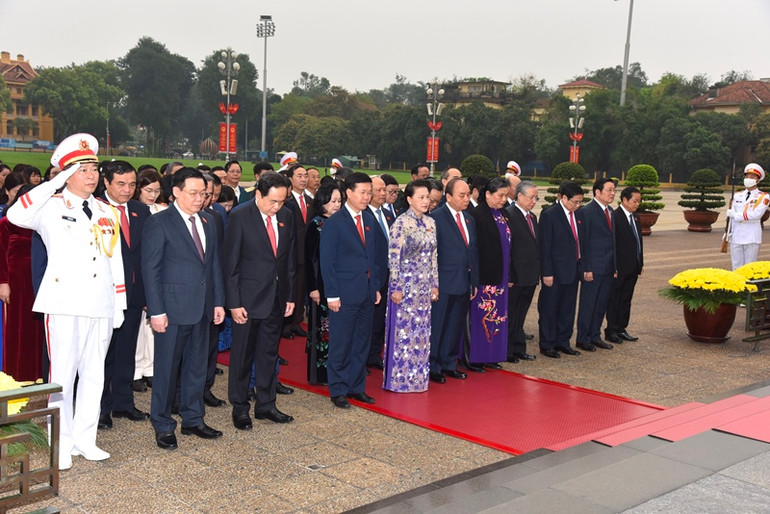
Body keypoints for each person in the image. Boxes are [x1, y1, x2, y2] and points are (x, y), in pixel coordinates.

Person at [7, 133, 126, 470]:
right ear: (65, 173)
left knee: (93, 375)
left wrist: (119, 303)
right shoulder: (50, 207)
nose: (92, 175)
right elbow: (16, 215)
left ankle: (86, 438)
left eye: (94, 168)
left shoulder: (106, 210)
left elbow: (113, 257)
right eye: (83, 169)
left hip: (100, 303)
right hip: (64, 302)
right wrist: (54, 181)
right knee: (62, 375)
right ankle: (60, 441)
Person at [142, 167, 225, 451]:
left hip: (202, 307)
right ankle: (163, 424)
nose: (199, 198)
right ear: (176, 191)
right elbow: (150, 270)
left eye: (203, 193)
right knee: (166, 370)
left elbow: (214, 265)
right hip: (172, 309)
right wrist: (156, 311)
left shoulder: (209, 221)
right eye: (193, 193)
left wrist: (218, 302)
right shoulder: (160, 222)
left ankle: (193, 418)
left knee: (196, 367)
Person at [223, 171, 296, 430]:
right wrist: (234, 303)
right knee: (242, 356)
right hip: (247, 300)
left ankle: (266, 404)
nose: (277, 207)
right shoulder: (240, 217)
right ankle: (240, 407)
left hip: (276, 299)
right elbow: (230, 264)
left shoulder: (286, 216)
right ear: (258, 194)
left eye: (282, 201)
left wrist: (289, 296)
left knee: (268, 354)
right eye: (272, 202)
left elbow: (287, 261)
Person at [320, 172, 382, 408]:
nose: (367, 197)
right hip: (344, 294)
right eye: (363, 192)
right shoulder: (335, 222)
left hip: (366, 292)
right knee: (341, 343)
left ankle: (357, 387)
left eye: (369, 192)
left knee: (361, 342)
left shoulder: (368, 220)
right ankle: (338, 389)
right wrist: (332, 294)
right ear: (349, 192)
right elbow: (327, 262)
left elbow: (374, 257)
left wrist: (375, 286)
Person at [98, 161, 151, 430]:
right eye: (120, 184)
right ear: (106, 182)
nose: (127, 190)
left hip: (133, 295)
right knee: (103, 354)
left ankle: (123, 403)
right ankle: (101, 407)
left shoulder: (141, 210)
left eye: (132, 184)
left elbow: (146, 256)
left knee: (126, 350)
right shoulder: (94, 209)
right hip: (104, 296)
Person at [383, 180, 437, 392]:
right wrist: (396, 286)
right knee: (404, 334)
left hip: (424, 289)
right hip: (405, 286)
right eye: (421, 197)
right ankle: (400, 380)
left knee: (422, 334)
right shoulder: (401, 223)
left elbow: (434, 256)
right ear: (409, 199)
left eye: (427, 197)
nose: (426, 201)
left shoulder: (431, 223)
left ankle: (419, 380)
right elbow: (393, 258)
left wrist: (435, 283)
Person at [428, 178, 477, 383]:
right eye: (461, 195)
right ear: (448, 197)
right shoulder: (436, 218)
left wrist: (474, 280)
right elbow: (431, 254)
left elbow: (473, 252)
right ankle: (434, 366)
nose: (466, 199)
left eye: (468, 195)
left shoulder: (469, 219)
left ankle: (449, 363)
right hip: (443, 282)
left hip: (464, 282)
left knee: (455, 325)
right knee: (439, 325)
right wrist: (433, 283)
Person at [0, 184, 45, 381]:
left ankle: (39, 373)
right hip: (16, 282)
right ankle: (16, 373)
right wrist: (3, 282)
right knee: (18, 328)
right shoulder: (7, 222)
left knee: (39, 329)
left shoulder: (44, 221)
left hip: (40, 280)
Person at [466, 177, 511, 370]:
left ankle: (493, 355)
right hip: (485, 277)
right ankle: (476, 358)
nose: (504, 199)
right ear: (487, 194)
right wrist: (475, 279)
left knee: (498, 317)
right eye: (500, 195)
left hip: (501, 276)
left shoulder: (503, 214)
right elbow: (474, 250)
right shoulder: (477, 215)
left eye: (506, 195)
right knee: (481, 317)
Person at [537, 181, 585, 359]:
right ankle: (547, 344)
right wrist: (546, 272)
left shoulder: (578, 215)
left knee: (567, 309)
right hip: (555, 273)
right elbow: (545, 246)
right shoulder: (550, 215)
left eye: (580, 202)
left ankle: (563, 342)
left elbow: (580, 242)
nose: (578, 205)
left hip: (573, 270)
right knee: (550, 309)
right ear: (564, 198)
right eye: (575, 201)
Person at [132, 168, 166, 393]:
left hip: (160, 275)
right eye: (148, 190)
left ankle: (151, 368)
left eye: (156, 190)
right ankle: (135, 371)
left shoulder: (163, 211)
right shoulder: (135, 211)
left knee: (153, 327)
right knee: (138, 329)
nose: (152, 194)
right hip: (140, 275)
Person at [305, 183, 343, 384]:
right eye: (332, 201)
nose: (336, 205)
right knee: (320, 330)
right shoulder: (316, 224)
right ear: (322, 202)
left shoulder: (341, 223)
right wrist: (312, 288)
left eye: (339, 201)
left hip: (338, 284)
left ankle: (336, 369)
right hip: (320, 285)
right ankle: (318, 374)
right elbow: (309, 258)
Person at [576, 178, 617, 352]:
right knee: (588, 304)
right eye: (609, 190)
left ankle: (595, 335)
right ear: (597, 192)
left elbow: (613, 241)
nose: (613, 193)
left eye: (614, 190)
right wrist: (587, 268)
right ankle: (583, 338)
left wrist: (614, 266)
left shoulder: (611, 211)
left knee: (601, 304)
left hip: (608, 267)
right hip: (592, 268)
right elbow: (583, 243)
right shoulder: (587, 212)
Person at [505, 181, 540, 363]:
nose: (534, 201)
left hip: (530, 275)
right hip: (516, 276)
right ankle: (508, 350)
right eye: (531, 197)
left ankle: (519, 348)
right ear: (519, 196)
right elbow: (508, 249)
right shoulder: (509, 215)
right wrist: (510, 274)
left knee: (521, 315)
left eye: (536, 198)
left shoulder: (532, 217)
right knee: (511, 315)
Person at [605, 186, 644, 344]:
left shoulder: (636, 217)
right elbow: (612, 244)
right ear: (625, 200)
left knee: (626, 298)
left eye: (638, 201)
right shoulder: (615, 216)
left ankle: (622, 328)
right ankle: (611, 330)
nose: (637, 204)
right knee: (614, 298)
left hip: (633, 266)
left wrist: (640, 262)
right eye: (634, 201)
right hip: (619, 267)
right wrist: (613, 266)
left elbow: (638, 241)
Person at [283, 163, 313, 339]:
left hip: (305, 254)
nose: (304, 179)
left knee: (301, 289)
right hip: (290, 254)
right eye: (299, 176)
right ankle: (285, 326)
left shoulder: (310, 201)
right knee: (290, 290)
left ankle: (296, 323)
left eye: (305, 176)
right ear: (290, 178)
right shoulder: (285, 203)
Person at [367, 176, 394, 370]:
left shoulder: (388, 214)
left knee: (380, 320)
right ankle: (364, 355)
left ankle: (375, 354)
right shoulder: (364, 215)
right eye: (379, 190)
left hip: (388, 273)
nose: (383, 194)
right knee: (369, 318)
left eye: (385, 190)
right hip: (371, 275)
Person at [727, 163, 769, 270]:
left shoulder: (763, 197)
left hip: (751, 236)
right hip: (736, 235)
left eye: (752, 177)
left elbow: (756, 215)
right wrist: (727, 232)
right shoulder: (737, 195)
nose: (748, 179)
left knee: (749, 267)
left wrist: (735, 215)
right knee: (736, 266)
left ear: (758, 180)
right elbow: (732, 219)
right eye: (747, 177)